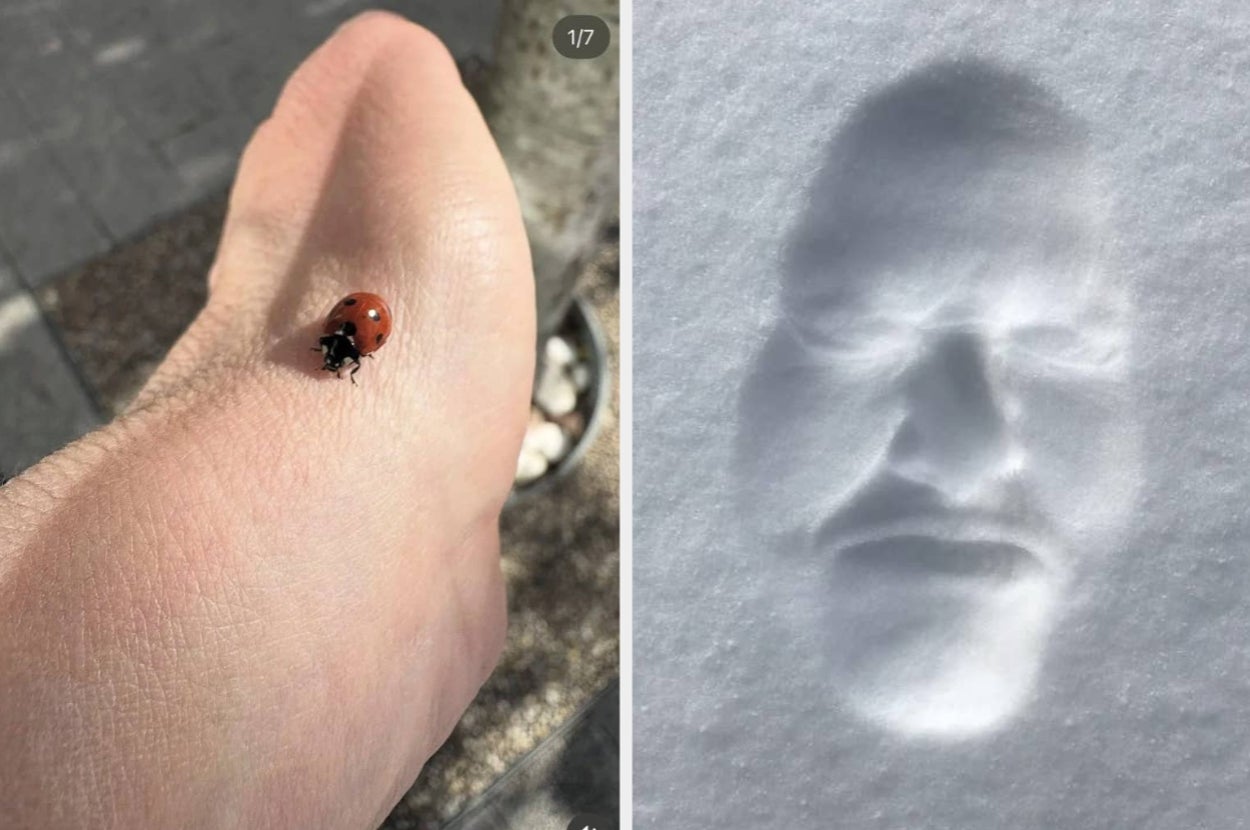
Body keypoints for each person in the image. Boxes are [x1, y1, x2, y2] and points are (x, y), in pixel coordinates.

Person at [0, 11, 532, 828]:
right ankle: (396, 521)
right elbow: (351, 330)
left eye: (341, 352)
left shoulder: (349, 328)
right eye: (340, 352)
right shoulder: (349, 330)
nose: (338, 352)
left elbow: (350, 328)